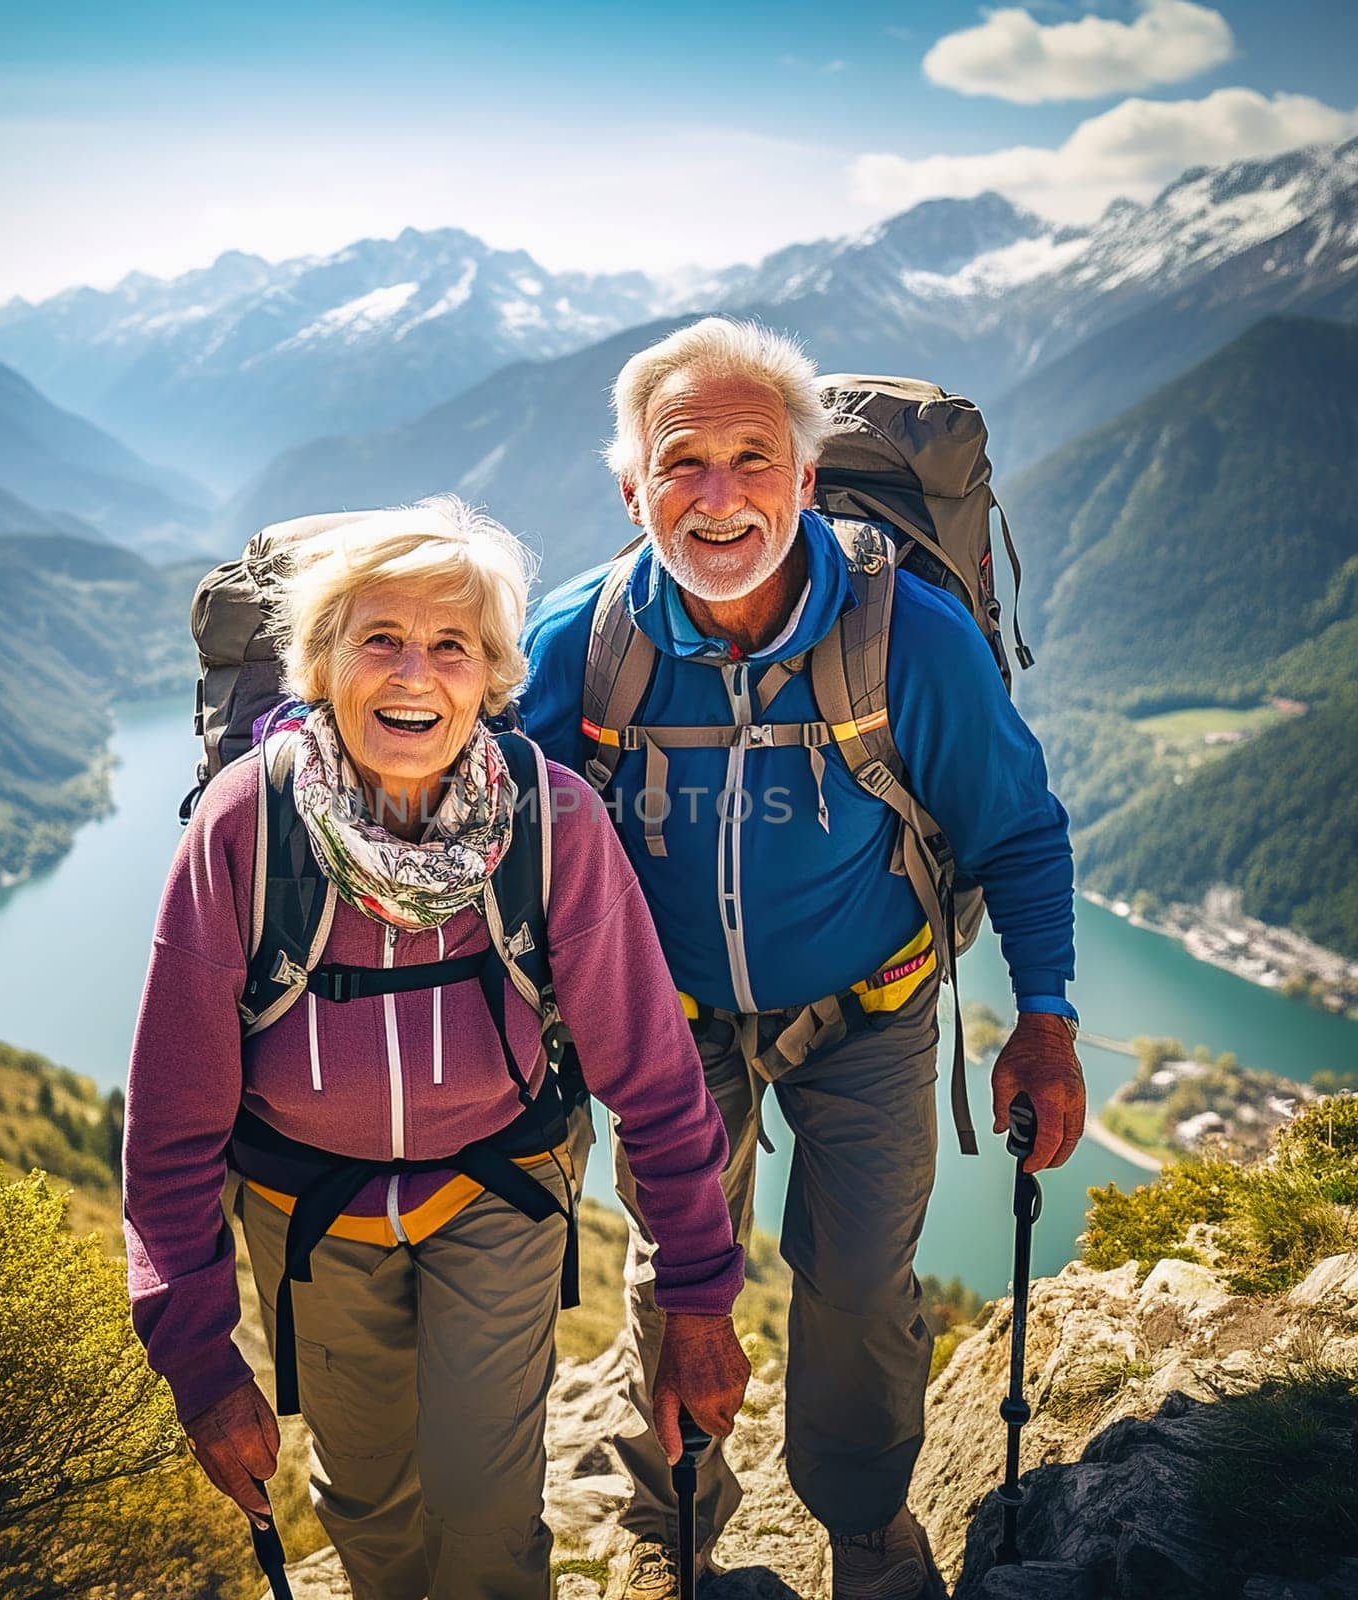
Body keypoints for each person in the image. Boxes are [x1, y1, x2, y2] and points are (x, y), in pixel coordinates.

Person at [519, 320, 1085, 1600]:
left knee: (856, 1288)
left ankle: (866, 1517)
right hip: (664, 1032)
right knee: (678, 1277)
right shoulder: (580, 647)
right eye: (683, 464)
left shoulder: (909, 636)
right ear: (631, 488)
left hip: (869, 1013)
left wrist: (1042, 1020)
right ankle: (678, 1518)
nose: (720, 497)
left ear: (807, 475)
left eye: (752, 459)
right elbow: (507, 848)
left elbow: (1017, 829)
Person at [121, 496, 750, 1600]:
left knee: (482, 1498)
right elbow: (172, 1126)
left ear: (491, 676)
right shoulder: (244, 824)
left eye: (450, 646)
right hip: (309, 1213)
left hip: (497, 1194)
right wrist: (198, 1359)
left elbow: (651, 1077)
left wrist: (698, 1295)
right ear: (321, 662)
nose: (415, 675)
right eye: (380, 640)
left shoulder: (551, 822)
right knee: (366, 1500)